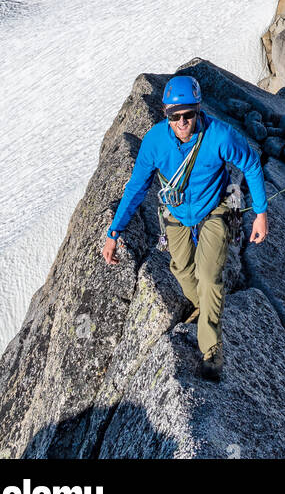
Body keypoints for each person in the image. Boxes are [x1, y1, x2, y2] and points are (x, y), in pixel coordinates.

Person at [101, 74, 268, 382]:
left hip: (216, 210)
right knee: (181, 270)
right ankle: (207, 305)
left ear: (198, 110)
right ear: (165, 113)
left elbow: (251, 164)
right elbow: (136, 187)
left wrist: (260, 213)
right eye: (173, 115)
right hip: (176, 214)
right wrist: (114, 231)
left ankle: (211, 351)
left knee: (208, 276)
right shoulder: (154, 142)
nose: (181, 121)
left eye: (188, 114)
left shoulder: (219, 136)